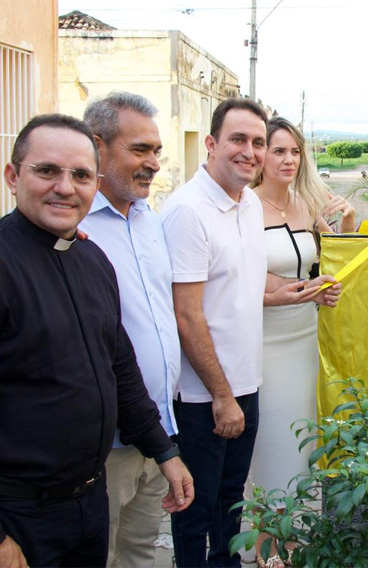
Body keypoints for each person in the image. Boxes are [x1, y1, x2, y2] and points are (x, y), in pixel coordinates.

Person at [0, 114, 193, 568]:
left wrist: (164, 451)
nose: (65, 188)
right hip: (19, 516)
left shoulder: (92, 260)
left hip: (88, 503)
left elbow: (120, 368)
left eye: (82, 176)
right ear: (12, 176)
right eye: (47, 171)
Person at [161, 99, 269, 567]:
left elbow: (242, 285)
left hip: (246, 382)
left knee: (231, 501)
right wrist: (222, 397)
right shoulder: (188, 211)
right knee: (196, 508)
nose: (250, 151)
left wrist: (299, 290)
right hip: (203, 394)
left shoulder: (250, 202)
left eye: (258, 142)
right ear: (211, 143)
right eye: (237, 139)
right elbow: (186, 316)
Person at [80, 92, 182, 568]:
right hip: (105, 446)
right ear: (97, 147)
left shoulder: (149, 221)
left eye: (156, 151)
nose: (154, 163)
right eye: (139, 149)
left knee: (139, 553)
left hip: (159, 431)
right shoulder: (72, 226)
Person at [249, 117, 348, 519]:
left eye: (295, 151)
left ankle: (295, 529)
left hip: (306, 335)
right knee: (272, 439)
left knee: (301, 437)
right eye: (279, 151)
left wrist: (348, 221)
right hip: (265, 338)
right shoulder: (245, 206)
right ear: (261, 155)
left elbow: (333, 259)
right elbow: (243, 275)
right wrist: (304, 288)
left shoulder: (304, 203)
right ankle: (267, 533)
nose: (289, 160)